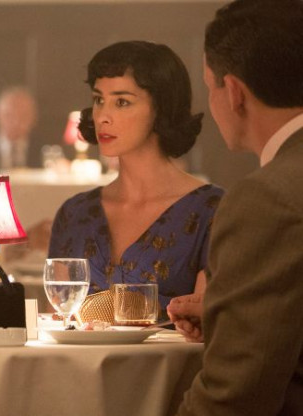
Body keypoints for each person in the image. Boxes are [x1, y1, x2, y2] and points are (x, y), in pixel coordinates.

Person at [166, 0, 303, 414]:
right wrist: (229, 315)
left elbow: (235, 396)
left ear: (234, 92)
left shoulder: (267, 197)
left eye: (210, 87)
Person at [47, 41, 225, 318]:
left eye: (122, 102)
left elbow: (211, 327)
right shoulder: (75, 214)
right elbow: (59, 322)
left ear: (161, 109)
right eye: (99, 100)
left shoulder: (211, 210)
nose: (103, 117)